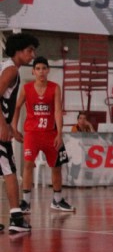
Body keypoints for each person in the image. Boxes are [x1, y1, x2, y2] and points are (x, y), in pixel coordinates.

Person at [11, 56, 75, 214]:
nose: (41, 71)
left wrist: (59, 133)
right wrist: (14, 128)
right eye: (38, 68)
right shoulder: (26, 88)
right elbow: (17, 107)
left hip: (50, 133)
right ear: (33, 71)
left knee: (57, 167)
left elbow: (58, 111)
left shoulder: (55, 88)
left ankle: (57, 200)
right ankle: (25, 202)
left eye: (44, 68)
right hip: (32, 134)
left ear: (48, 71)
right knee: (27, 165)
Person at [0, 32, 38, 233]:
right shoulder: (11, 71)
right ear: (18, 51)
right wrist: (3, 126)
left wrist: (12, 127)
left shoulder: (6, 67)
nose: (32, 55)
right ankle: (16, 218)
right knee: (10, 171)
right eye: (29, 50)